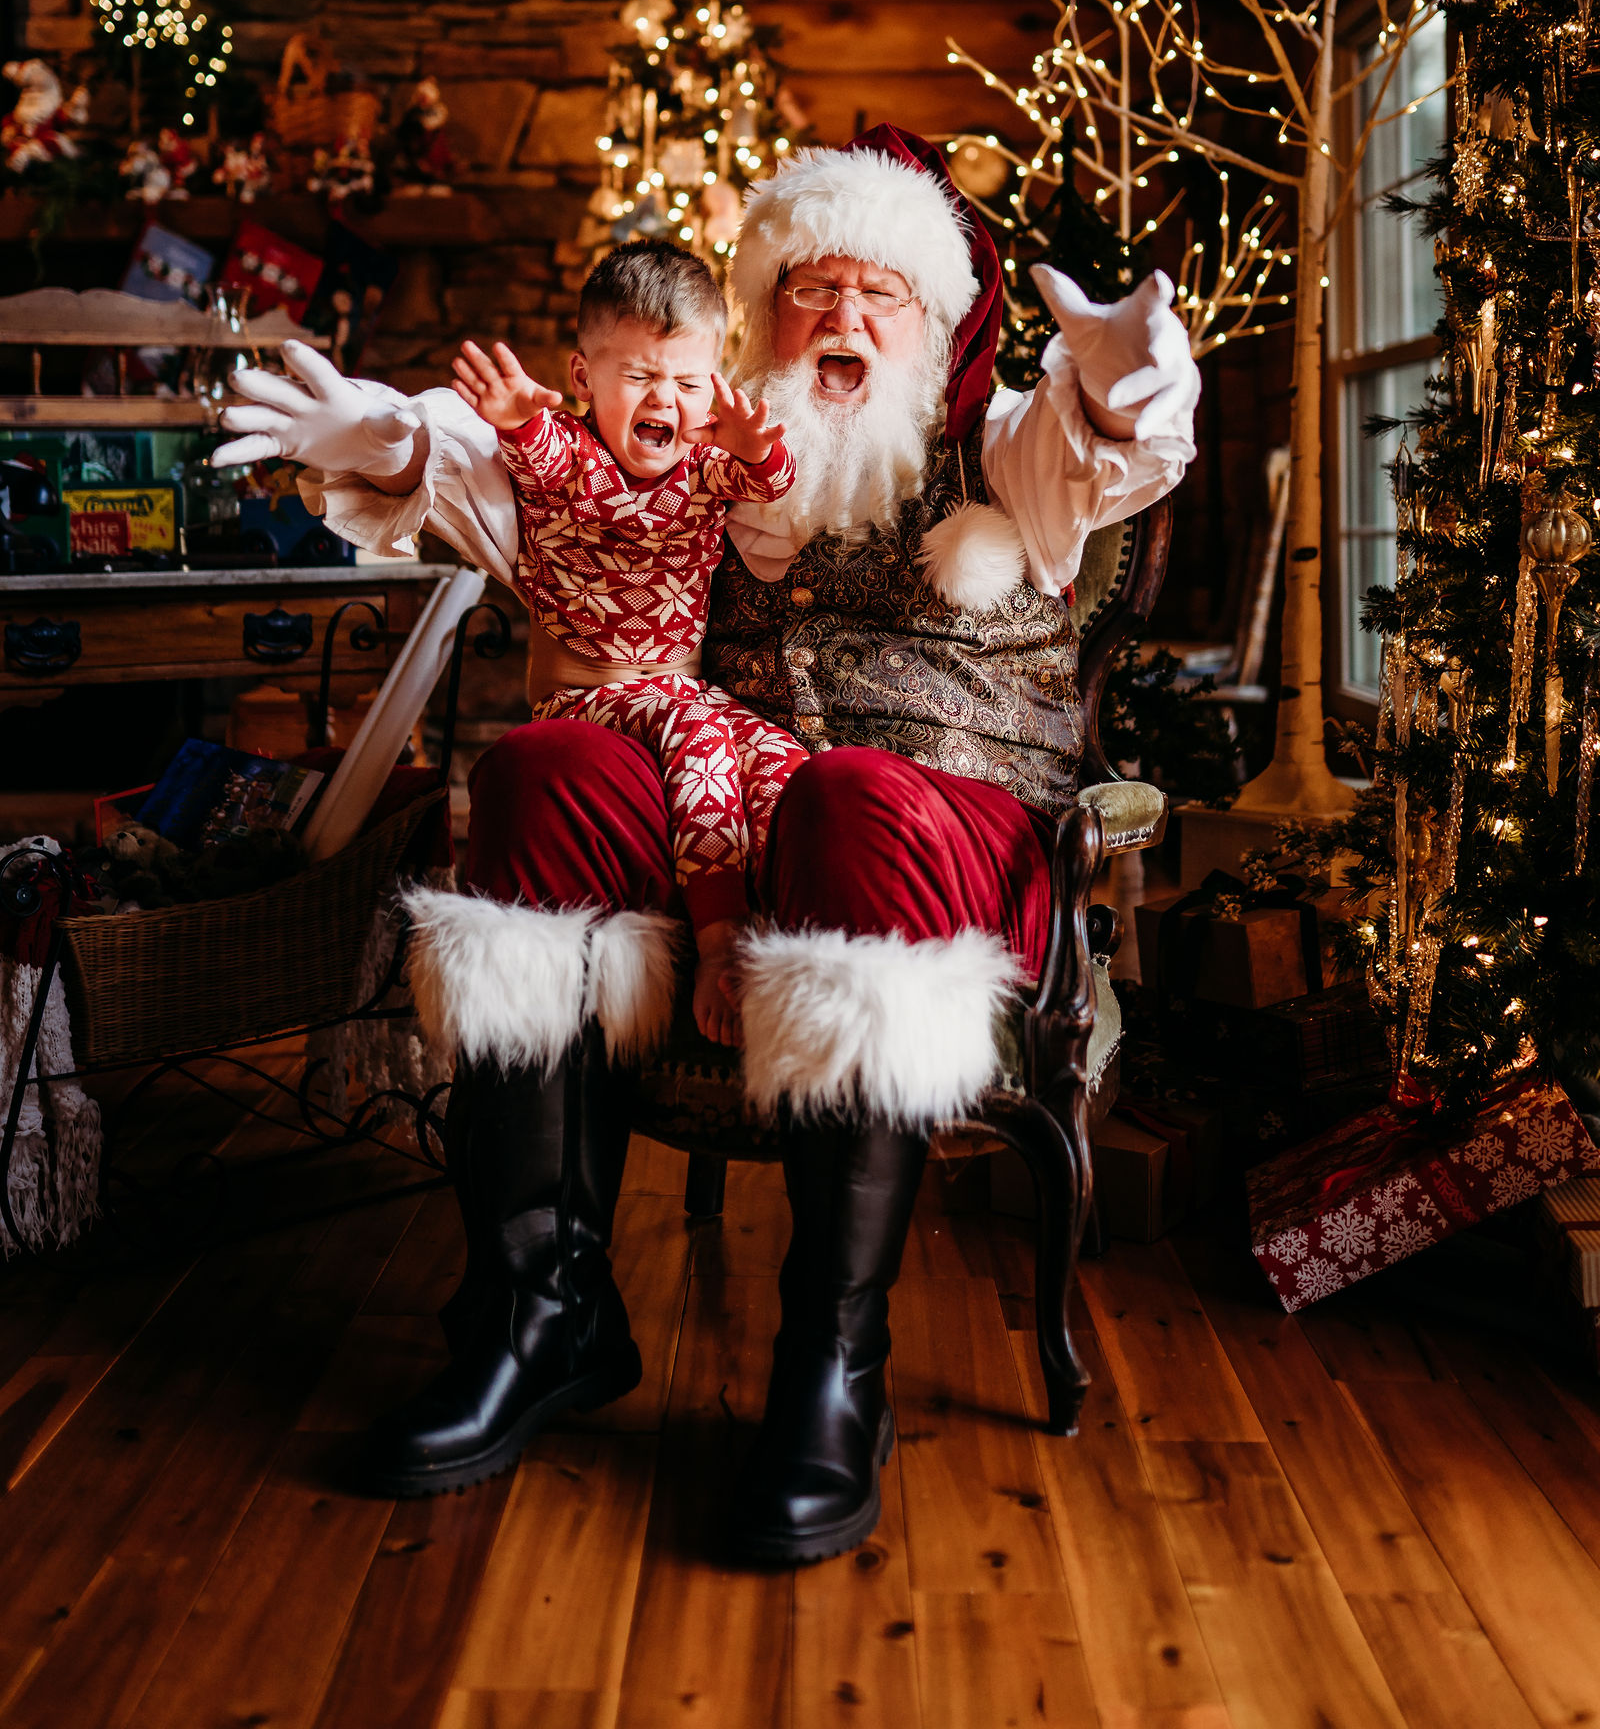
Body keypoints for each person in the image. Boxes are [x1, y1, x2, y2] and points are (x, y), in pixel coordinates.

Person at [216, 125, 1199, 1560]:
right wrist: (393, 439)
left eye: (883, 293)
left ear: (930, 330)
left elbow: (1111, 446)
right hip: (727, 816)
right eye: (812, 287)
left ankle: (830, 1374)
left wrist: (1116, 373)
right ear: (763, 313)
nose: (843, 317)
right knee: (551, 765)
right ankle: (538, 1315)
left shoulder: (1000, 450)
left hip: (947, 831)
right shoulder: (701, 453)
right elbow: (512, 477)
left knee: (846, 796)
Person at [448, 241, 805, 1045]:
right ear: (584, 379)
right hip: (589, 691)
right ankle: (721, 944)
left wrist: (756, 449)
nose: (665, 401)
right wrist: (512, 416)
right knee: (700, 735)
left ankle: (800, 942)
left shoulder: (708, 466)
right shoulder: (569, 458)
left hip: (677, 686)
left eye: (686, 382)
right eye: (640, 377)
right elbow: (531, 449)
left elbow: (769, 480)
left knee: (777, 755)